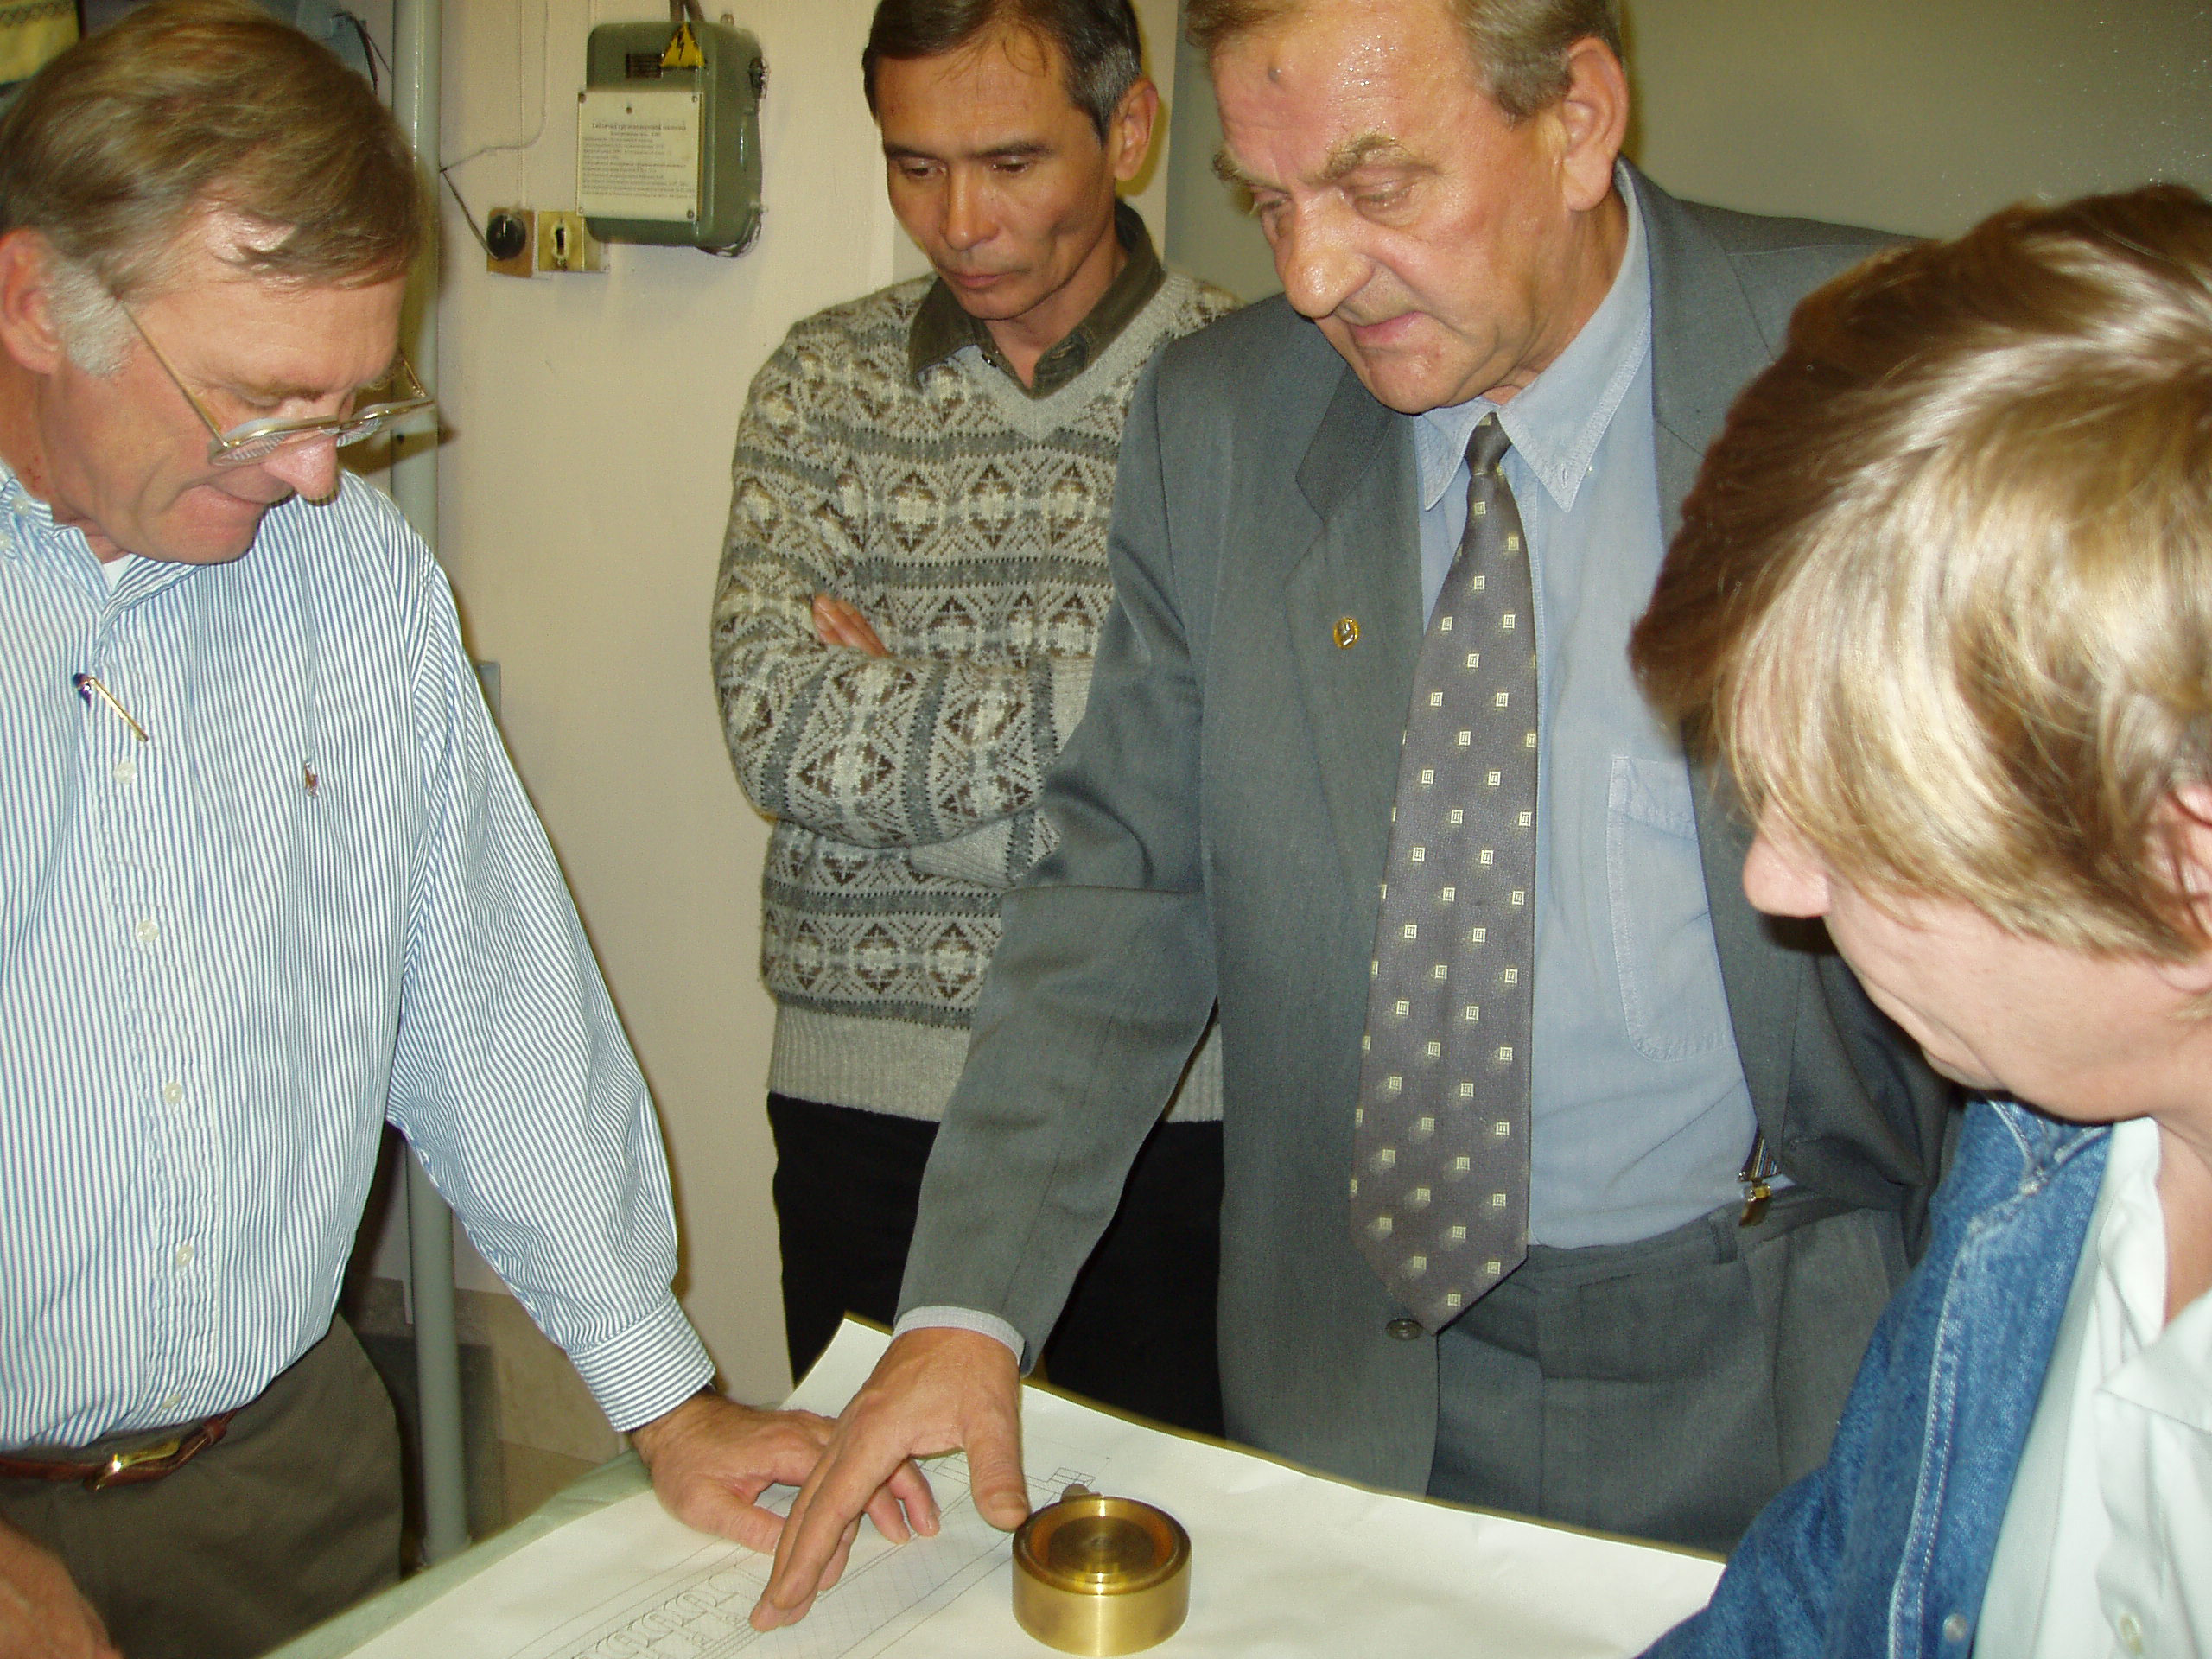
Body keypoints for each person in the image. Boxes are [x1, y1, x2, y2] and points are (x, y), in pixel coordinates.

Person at [749, 0, 1956, 1628]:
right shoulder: (1224, 423)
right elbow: (1124, 890)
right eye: (1271, 203)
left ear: (1580, 121)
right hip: (1351, 1381)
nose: (1312, 278)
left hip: (1772, 1360)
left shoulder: (1876, 368)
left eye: (1377, 187)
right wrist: (963, 1312)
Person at [0, 7, 919, 1657]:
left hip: (277, 1477)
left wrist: (667, 1400)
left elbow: (485, 1001)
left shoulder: (354, 583)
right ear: (31, 306)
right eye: (257, 404)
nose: (312, 477)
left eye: (350, 408)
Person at [1631, 182, 2212, 1659]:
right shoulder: (2037, 1155)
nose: (1776, 883)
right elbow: (1828, 1592)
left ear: (2189, 860)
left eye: (1862, 819)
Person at [709, 0, 1236, 1432]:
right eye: (914, 164)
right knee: (888, 1558)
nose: (959, 221)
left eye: (1008, 163)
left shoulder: (1254, 390)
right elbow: (778, 729)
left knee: (1150, 1555)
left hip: (1173, 1096)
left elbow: (1261, 769)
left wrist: (903, 751)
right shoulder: (819, 386)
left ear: (1129, 132)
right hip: (863, 1091)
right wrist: (1138, 715)